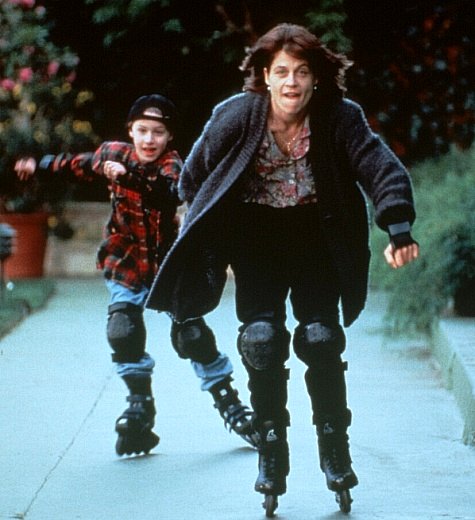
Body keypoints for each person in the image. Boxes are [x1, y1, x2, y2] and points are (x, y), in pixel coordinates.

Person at [145, 24, 419, 515]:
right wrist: (199, 229)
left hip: (317, 237)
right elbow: (195, 175)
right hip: (256, 239)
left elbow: (378, 166)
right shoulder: (236, 115)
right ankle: (272, 452)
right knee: (262, 340)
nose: (292, 82)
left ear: (316, 78)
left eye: (302, 72)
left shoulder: (339, 117)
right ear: (265, 76)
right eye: (282, 72)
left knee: (320, 338)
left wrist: (398, 226)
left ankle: (335, 452)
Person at [14, 94, 256, 456]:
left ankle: (232, 406)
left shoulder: (174, 166)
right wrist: (39, 164)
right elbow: (76, 164)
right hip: (125, 259)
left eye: (158, 132)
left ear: (169, 137)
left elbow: (166, 195)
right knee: (122, 328)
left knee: (191, 335)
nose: (149, 139)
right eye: (142, 130)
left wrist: (127, 177)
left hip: (168, 265)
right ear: (130, 131)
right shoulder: (113, 154)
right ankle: (139, 407)